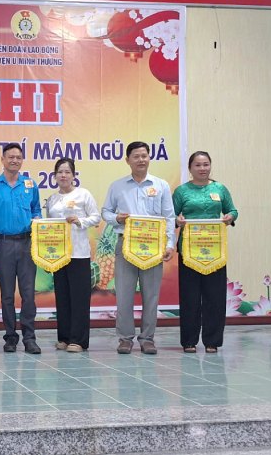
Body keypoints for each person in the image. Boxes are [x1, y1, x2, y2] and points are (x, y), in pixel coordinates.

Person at [101, 141, 175, 355]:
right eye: (136, 156)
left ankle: (147, 338)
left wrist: (169, 244)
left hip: (154, 246)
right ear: (128, 160)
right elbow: (105, 212)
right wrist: (116, 218)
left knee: (151, 295)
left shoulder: (160, 185)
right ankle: (125, 339)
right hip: (125, 244)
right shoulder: (117, 186)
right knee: (123, 294)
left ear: (149, 158)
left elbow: (168, 217)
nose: (141, 159)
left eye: (144, 155)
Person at [174, 151, 238, 354]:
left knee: (215, 297)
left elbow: (233, 211)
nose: (202, 168)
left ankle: (212, 341)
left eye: (206, 164)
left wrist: (229, 217)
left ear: (210, 166)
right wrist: (178, 220)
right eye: (198, 165)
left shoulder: (220, 188)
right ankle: (189, 341)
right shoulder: (181, 191)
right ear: (190, 168)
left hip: (214, 250)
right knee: (190, 297)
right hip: (189, 250)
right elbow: (171, 215)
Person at [0, 142, 42, 354]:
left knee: (28, 294)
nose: (14, 160)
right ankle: (10, 337)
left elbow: (36, 209)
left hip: (27, 244)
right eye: (10, 157)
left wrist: (36, 218)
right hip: (4, 245)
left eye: (18, 157)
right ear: (2, 159)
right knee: (7, 295)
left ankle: (29, 337)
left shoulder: (30, 184)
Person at [45, 157, 100, 353]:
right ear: (54, 176)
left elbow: (96, 217)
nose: (63, 175)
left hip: (79, 253)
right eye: (59, 171)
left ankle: (78, 340)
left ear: (74, 175)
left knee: (79, 298)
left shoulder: (83, 194)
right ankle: (64, 337)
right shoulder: (52, 199)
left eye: (67, 171)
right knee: (62, 297)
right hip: (58, 255)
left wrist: (80, 221)